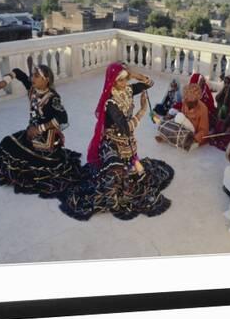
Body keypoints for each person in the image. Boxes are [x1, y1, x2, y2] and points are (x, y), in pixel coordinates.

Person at [59, 63, 173, 221]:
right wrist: (141, 111)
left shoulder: (127, 90)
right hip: (112, 142)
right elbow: (126, 128)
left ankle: (131, 165)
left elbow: (149, 83)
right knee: (113, 182)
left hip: (127, 143)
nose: (124, 83)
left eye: (126, 79)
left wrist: (133, 75)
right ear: (112, 81)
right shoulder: (111, 103)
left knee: (136, 175)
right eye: (121, 80)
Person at [0, 65, 83, 198]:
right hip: (30, 133)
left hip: (47, 138)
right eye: (32, 75)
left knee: (34, 163)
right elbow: (17, 72)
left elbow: (63, 118)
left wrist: (39, 129)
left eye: (36, 76)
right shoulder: (33, 88)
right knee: (6, 143)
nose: (32, 78)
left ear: (46, 80)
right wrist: (4, 82)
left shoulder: (53, 98)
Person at [156, 84, 209, 151]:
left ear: (196, 98)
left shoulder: (203, 109)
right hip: (184, 126)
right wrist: (171, 117)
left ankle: (186, 140)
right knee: (171, 120)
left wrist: (195, 138)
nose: (188, 98)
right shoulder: (185, 101)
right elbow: (183, 116)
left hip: (193, 131)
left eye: (191, 97)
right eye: (187, 96)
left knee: (179, 117)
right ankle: (164, 137)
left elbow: (204, 130)